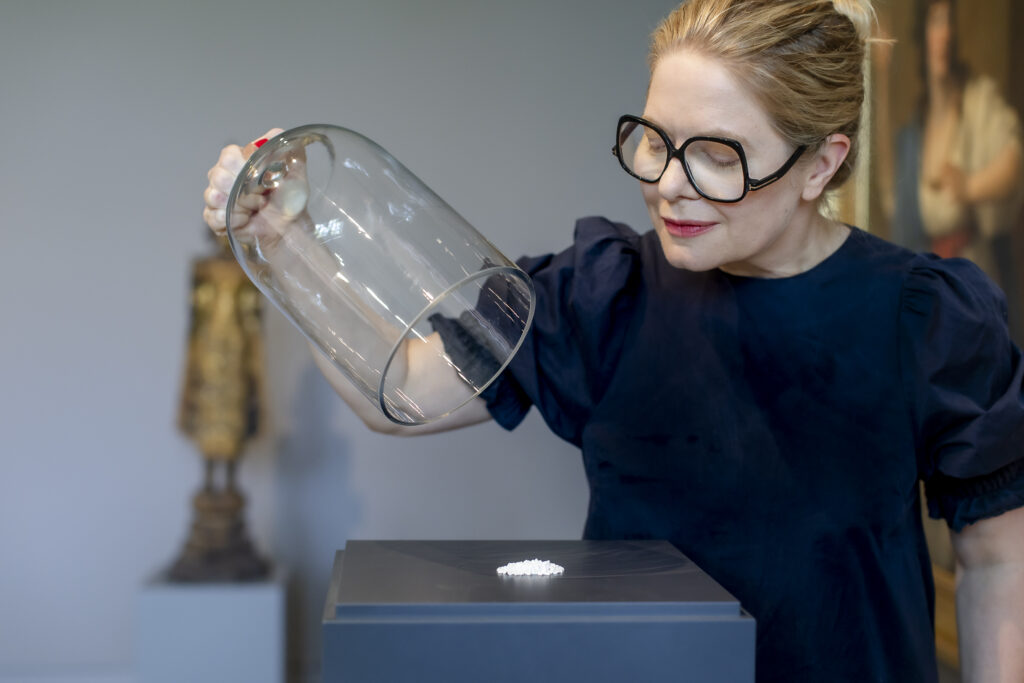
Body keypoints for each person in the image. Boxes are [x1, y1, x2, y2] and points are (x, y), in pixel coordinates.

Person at [202, 0, 1024, 680]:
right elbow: (406, 395)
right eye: (656, 140)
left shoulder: (927, 317)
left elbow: (995, 563)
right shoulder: (603, 295)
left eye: (716, 155)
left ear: (820, 164)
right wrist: (281, 240)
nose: (669, 183)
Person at [880, 0, 1024, 334]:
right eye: (935, 23)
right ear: (923, 34)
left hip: (973, 281)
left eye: (949, 24)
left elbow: (1014, 159)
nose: (943, 35)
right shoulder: (919, 123)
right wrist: (883, 81)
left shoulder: (976, 101)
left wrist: (970, 187)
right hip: (934, 289)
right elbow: (893, 198)